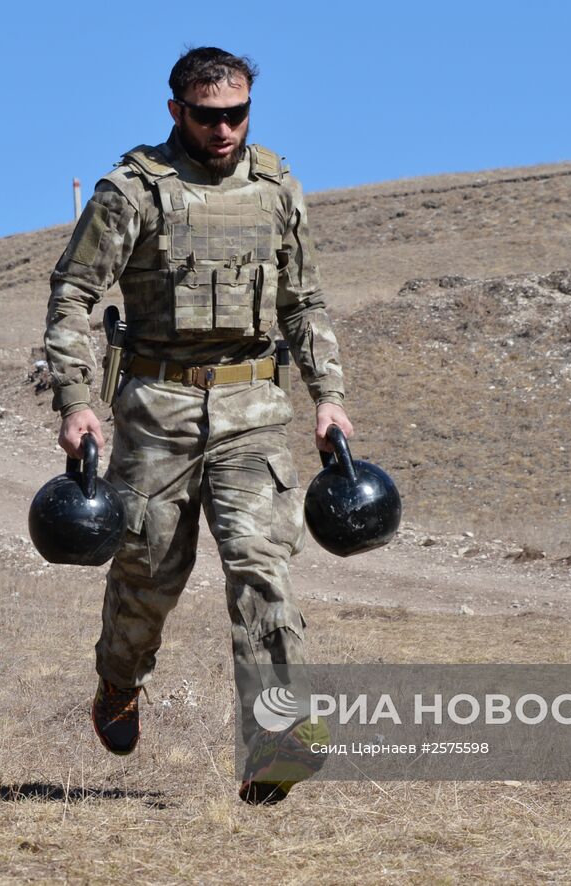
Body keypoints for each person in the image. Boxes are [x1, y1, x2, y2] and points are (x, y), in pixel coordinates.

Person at [43, 46, 351, 804]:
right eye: (208, 115)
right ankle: (118, 683)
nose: (224, 130)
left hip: (253, 414)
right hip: (157, 414)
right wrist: (77, 403)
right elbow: (73, 295)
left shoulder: (278, 189)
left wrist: (329, 398)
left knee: (262, 572)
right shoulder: (132, 193)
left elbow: (304, 304)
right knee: (148, 577)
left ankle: (279, 746)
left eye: (237, 115)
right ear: (176, 109)